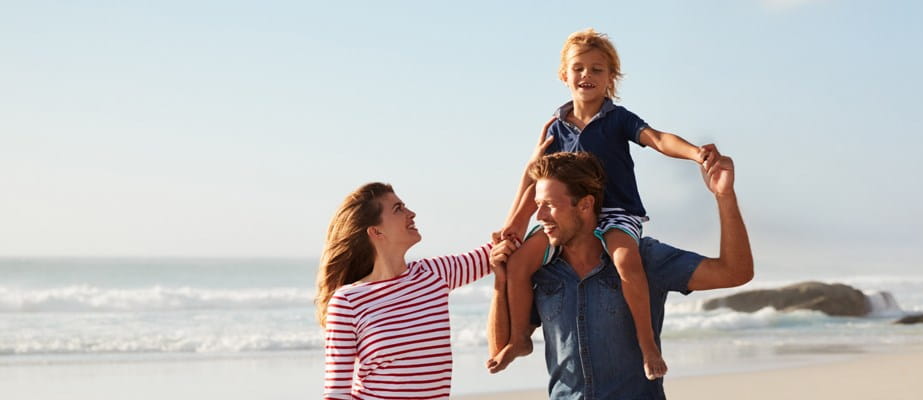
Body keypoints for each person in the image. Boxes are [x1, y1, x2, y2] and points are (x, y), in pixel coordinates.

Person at [490, 29, 718, 380]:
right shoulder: (555, 128)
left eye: (597, 69)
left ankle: (647, 345)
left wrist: (696, 154)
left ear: (611, 77)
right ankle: (521, 338)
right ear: (564, 75)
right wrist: (513, 225)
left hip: (616, 213)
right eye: (578, 68)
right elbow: (536, 181)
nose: (587, 75)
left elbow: (658, 139)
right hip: (567, 216)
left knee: (626, 260)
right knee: (519, 263)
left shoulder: (618, 118)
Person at [490, 151, 753, 399]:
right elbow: (500, 350)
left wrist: (724, 196)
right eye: (538, 205)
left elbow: (734, 273)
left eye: (548, 205)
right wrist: (500, 281)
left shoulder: (644, 258)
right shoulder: (542, 272)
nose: (539, 216)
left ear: (585, 205)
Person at [317, 182, 518, 399]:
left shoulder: (434, 273)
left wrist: (529, 179)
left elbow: (507, 242)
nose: (411, 213)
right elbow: (336, 393)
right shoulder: (347, 301)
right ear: (376, 231)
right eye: (398, 209)